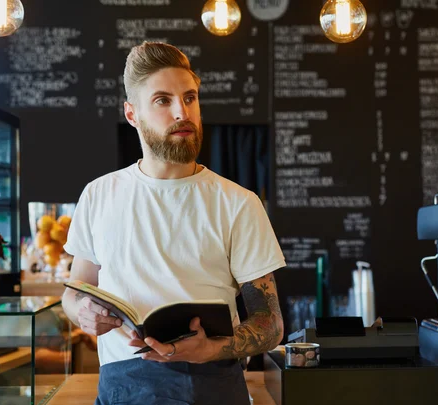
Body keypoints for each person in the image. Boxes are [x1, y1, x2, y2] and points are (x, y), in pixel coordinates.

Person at [62, 41, 286, 405]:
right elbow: (75, 291)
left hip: (214, 385)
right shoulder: (98, 194)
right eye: (163, 100)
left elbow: (270, 324)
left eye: (190, 98)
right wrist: (82, 313)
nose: (182, 112)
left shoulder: (239, 203)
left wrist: (213, 348)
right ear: (132, 114)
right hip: (122, 387)